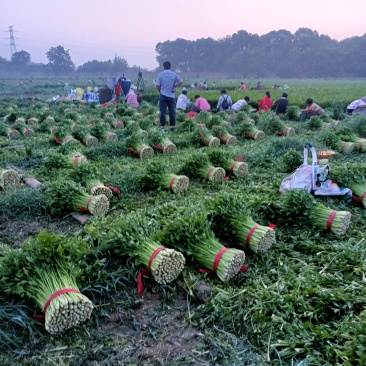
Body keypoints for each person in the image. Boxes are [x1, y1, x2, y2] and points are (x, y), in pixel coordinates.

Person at [155, 61, 183, 131]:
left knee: (163, 111)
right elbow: (181, 82)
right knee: (172, 111)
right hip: (171, 96)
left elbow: (157, 85)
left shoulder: (160, 74)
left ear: (163, 67)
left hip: (163, 95)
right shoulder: (173, 74)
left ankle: (162, 126)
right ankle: (172, 126)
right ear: (170, 67)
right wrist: (174, 86)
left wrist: (160, 91)